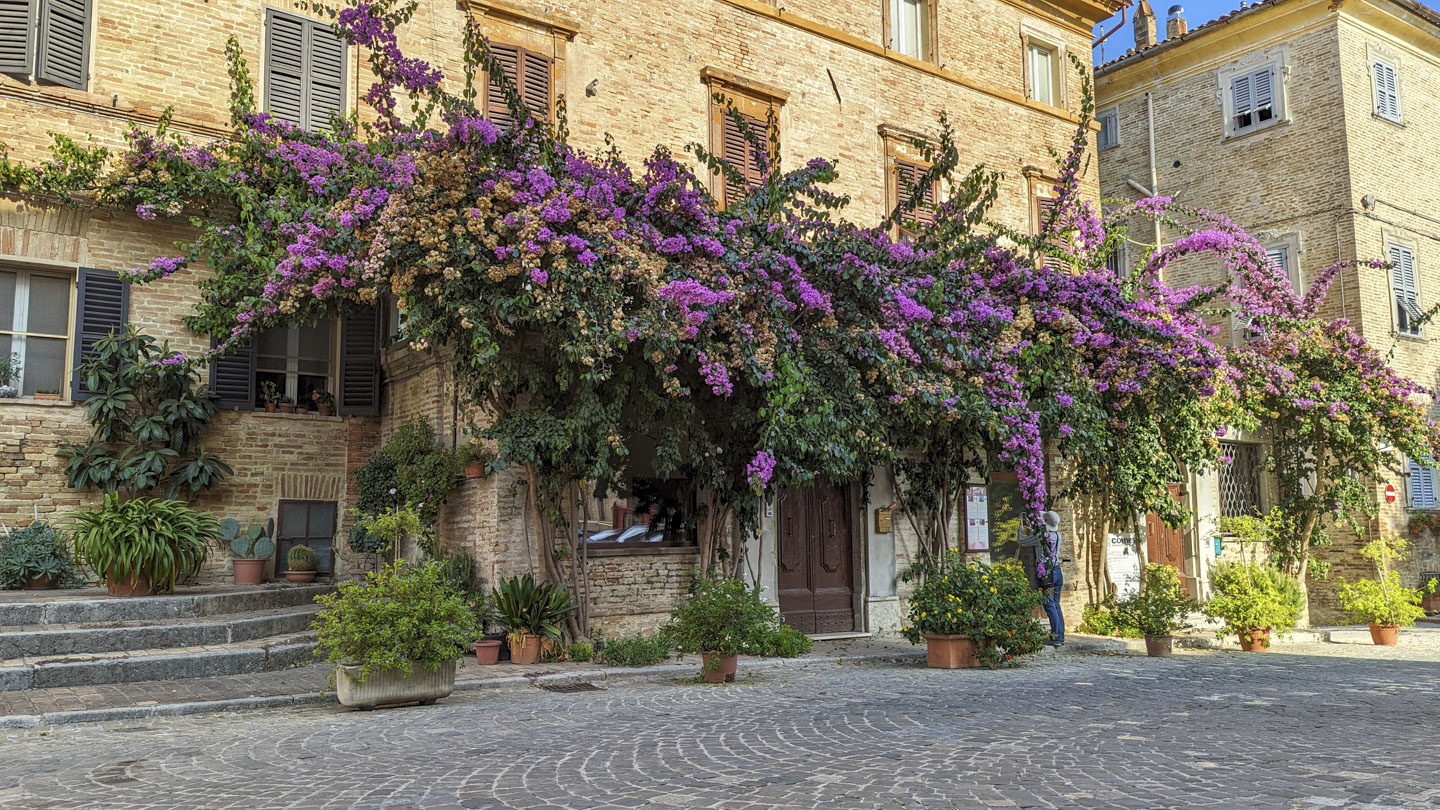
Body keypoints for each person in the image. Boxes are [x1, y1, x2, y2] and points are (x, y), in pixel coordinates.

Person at [1037, 510, 1065, 646]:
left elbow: (1022, 541)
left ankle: (1056, 637)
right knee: (1056, 604)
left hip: (1047, 573)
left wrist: (1021, 529)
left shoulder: (1041, 536)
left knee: (1049, 604)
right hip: (1057, 570)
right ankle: (1060, 635)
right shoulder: (1058, 535)